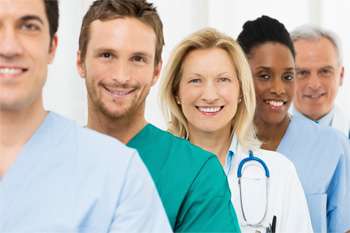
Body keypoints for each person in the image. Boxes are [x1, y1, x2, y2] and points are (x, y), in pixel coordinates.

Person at [0, 0, 172, 232]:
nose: (9, 47)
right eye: (107, 55)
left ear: (52, 46)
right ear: (81, 61)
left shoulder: (118, 173)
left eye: (29, 26)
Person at [76, 0, 240, 232]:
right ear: (80, 62)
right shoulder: (47, 161)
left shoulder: (196, 174)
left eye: (138, 59)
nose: (121, 76)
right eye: (106, 55)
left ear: (156, 71)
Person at [159, 27, 313, 233]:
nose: (210, 95)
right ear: (176, 92)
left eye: (223, 80)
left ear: (240, 91)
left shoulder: (280, 173)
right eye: (195, 80)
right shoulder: (152, 173)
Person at [237, 15, 350, 233]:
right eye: (264, 75)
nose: (278, 88)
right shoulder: (223, 143)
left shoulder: (334, 146)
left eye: (288, 76)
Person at [290, 25, 350, 138]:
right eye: (302, 73)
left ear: (341, 75)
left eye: (325, 71)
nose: (314, 85)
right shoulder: (257, 141)